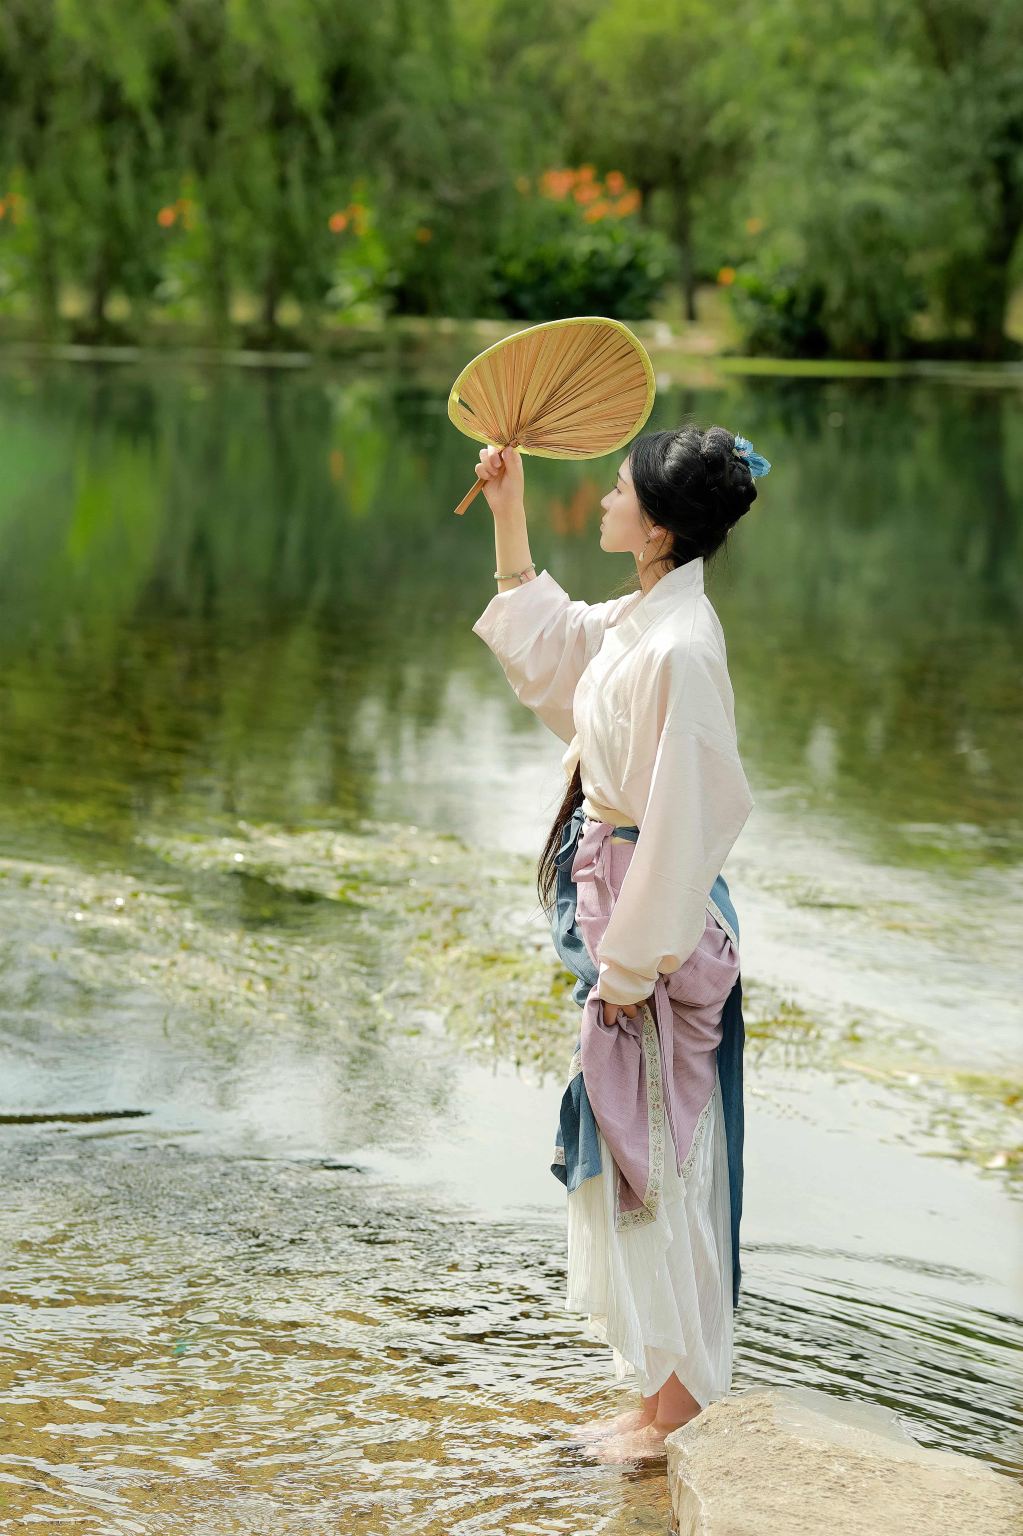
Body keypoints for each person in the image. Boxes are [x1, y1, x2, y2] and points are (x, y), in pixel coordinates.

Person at [470, 425, 769, 1464]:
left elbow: (693, 814)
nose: (600, 498)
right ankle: (656, 1396)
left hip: (655, 918)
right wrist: (509, 509)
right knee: (640, 1145)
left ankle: (677, 1409)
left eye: (617, 490)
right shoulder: (650, 618)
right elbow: (561, 656)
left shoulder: (683, 647)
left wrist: (631, 966)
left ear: (658, 527)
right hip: (627, 904)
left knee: (664, 1155)